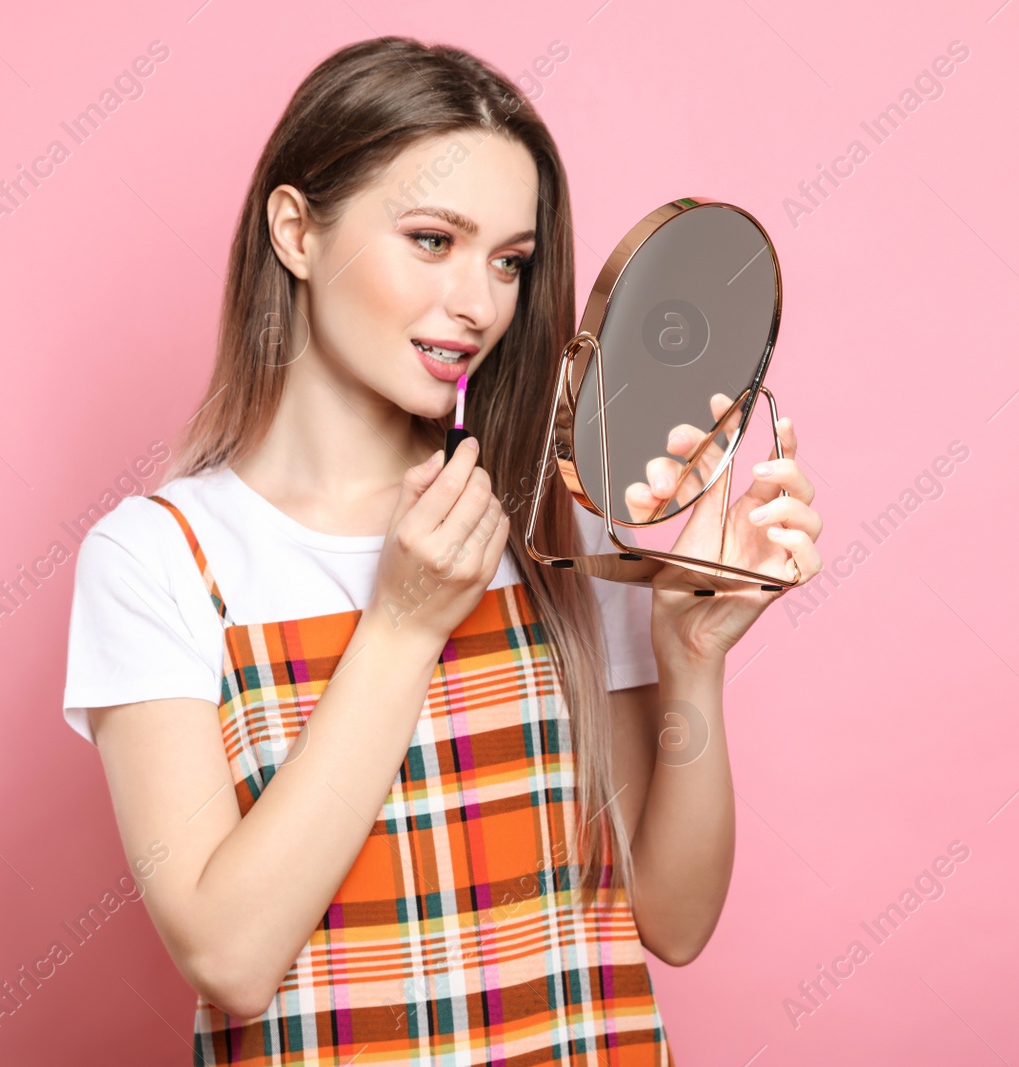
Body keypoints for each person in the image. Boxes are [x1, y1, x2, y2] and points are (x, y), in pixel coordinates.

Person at [62, 35, 823, 1065]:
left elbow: (672, 920)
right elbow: (230, 956)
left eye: (510, 260)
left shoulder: (556, 526)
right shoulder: (159, 558)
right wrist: (404, 618)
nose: (480, 304)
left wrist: (692, 659)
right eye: (431, 240)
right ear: (295, 230)